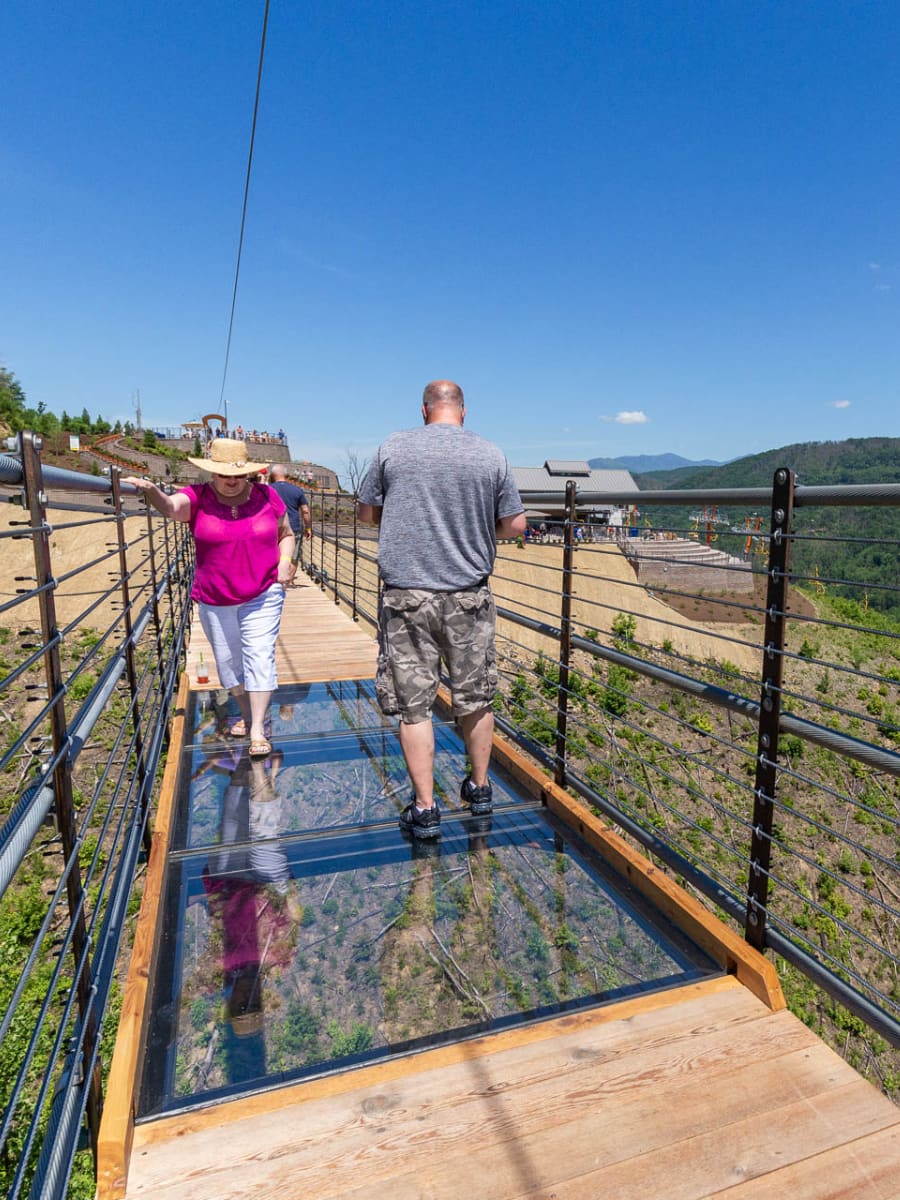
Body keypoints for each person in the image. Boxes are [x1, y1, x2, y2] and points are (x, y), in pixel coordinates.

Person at [357, 380, 525, 840]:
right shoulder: (491, 454)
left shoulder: (393, 446)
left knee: (415, 707)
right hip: (468, 595)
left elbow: (367, 514)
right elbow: (515, 525)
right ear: (463, 412)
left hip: (406, 595)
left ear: (425, 410)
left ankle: (426, 810)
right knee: (475, 696)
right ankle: (480, 787)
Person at [124, 438, 294, 757]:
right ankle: (247, 714)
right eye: (224, 474)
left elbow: (286, 534)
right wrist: (150, 490)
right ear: (212, 473)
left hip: (264, 590)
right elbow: (171, 508)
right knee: (229, 665)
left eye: (238, 475)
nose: (231, 481)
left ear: (248, 474)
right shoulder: (197, 497)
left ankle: (258, 728)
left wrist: (285, 563)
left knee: (259, 654)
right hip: (216, 597)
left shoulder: (266, 496)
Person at [268, 463, 312, 582]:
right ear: (286, 475)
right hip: (294, 526)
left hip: (272, 527)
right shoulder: (297, 490)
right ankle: (288, 582)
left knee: (273, 554)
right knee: (293, 556)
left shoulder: (268, 489)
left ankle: (274, 580)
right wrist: (308, 528)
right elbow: (305, 511)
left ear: (272, 475)